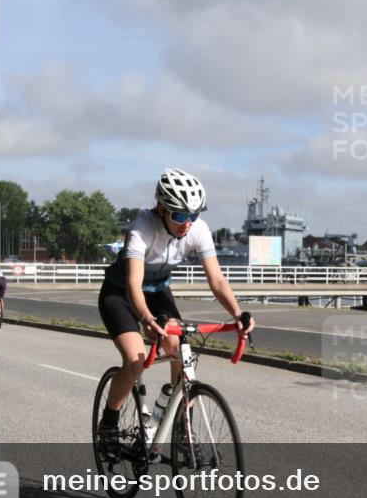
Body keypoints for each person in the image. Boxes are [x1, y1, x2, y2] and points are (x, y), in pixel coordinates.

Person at [97, 169, 254, 448]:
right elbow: (134, 285)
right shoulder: (142, 228)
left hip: (157, 292)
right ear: (161, 208)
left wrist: (238, 314)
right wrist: (145, 318)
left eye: (193, 216)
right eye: (180, 216)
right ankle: (109, 422)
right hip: (120, 294)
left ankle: (182, 425)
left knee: (182, 351)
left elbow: (216, 280)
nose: (187, 224)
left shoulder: (198, 230)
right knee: (135, 360)